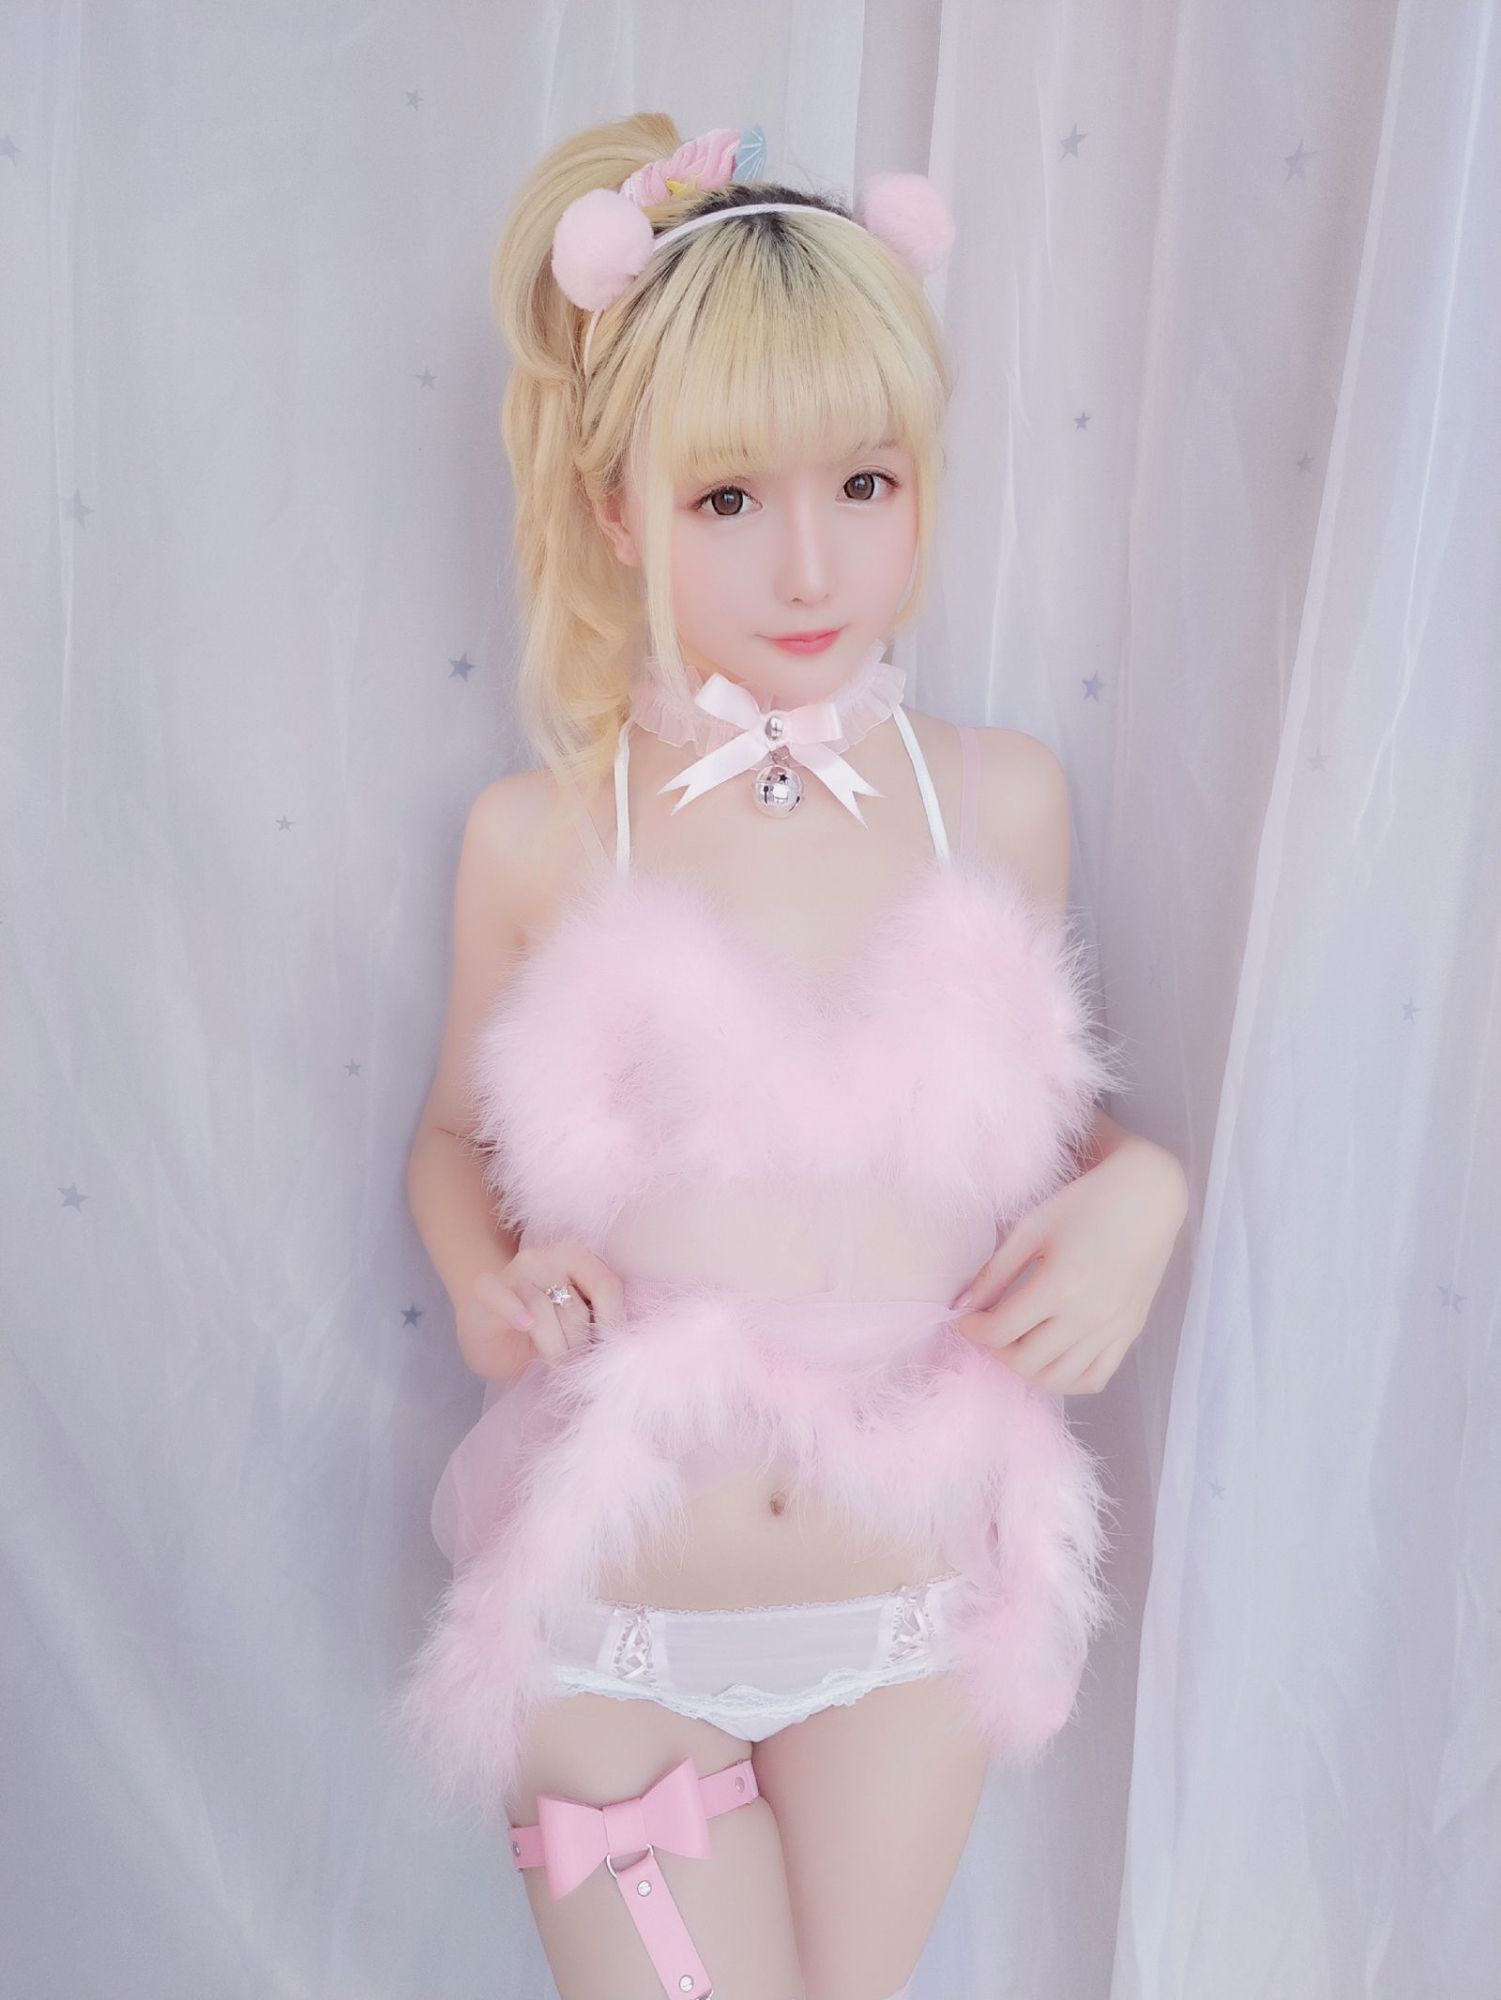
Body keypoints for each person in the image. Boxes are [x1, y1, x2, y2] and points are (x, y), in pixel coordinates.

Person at [392, 114, 1189, 2000]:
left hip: (907, 1615)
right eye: (729, 499)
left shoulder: (996, 799)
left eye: (866, 480)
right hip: (620, 1627)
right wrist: (492, 1281)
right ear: (618, 512)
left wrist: (1144, 1191)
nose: (811, 558)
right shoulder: (543, 833)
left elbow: (1039, 1132)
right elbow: (443, 1141)